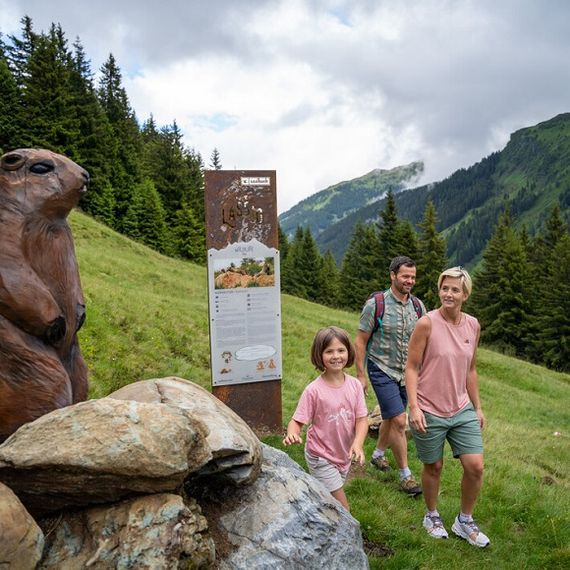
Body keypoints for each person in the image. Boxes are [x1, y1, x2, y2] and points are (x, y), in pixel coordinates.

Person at [405, 266, 490, 547]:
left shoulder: (473, 325)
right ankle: (432, 516)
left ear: (465, 294)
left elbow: (471, 370)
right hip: (429, 407)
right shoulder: (427, 323)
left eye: (455, 289)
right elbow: (412, 367)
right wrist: (414, 407)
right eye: (445, 288)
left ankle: (464, 521)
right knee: (434, 466)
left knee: (475, 466)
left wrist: (477, 407)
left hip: (461, 407)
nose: (448, 294)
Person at [355, 256, 425, 496]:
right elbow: (361, 340)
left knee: (389, 416)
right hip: (381, 368)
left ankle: (377, 455)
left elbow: (424, 341)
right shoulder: (376, 304)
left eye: (413, 277)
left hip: (407, 374)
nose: (410, 281)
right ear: (393, 275)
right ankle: (406, 475)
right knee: (399, 420)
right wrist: (360, 374)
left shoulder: (418, 306)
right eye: (405, 276)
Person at [283, 326, 369, 511]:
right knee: (342, 509)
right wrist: (293, 433)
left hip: (342, 455)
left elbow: (362, 419)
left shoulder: (354, 386)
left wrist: (358, 444)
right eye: (329, 351)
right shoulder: (313, 390)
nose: (336, 356)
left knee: (327, 500)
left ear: (348, 352)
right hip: (320, 456)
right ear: (319, 355)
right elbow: (296, 421)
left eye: (341, 350)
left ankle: (312, 515)